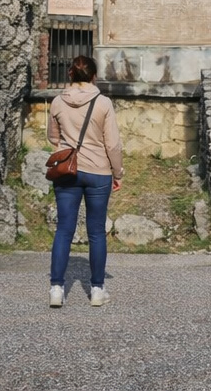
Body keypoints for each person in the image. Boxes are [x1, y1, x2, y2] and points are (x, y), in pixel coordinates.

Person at [47, 54, 123, 307]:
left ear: (70, 73)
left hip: (68, 171)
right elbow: (112, 144)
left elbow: (52, 137)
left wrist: (67, 144)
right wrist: (118, 173)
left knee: (64, 229)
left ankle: (56, 289)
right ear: (93, 76)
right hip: (98, 171)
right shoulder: (103, 103)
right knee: (97, 232)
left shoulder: (58, 101)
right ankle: (97, 290)